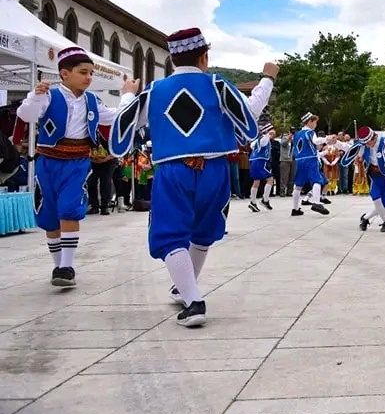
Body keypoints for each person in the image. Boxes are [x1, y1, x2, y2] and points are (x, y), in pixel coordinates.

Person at [108, 28, 274, 326]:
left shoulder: (154, 91)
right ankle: (186, 289)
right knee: (204, 230)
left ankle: (194, 301)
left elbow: (125, 124)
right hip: (216, 168)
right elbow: (250, 115)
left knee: (170, 232)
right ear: (204, 56)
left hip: (173, 169)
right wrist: (267, 79)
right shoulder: (217, 84)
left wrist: (128, 95)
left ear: (172, 58)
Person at [17, 46, 138, 286]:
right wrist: (34, 97)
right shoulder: (49, 95)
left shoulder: (92, 101)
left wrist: (128, 95)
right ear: (64, 74)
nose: (88, 77)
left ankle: (68, 265)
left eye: (91, 73)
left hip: (78, 162)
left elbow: (116, 116)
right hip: (48, 162)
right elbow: (26, 115)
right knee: (49, 214)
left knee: (70, 209)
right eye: (83, 72)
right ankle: (58, 267)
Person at [342, 126, 385, 232]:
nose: (367, 145)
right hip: (374, 176)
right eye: (365, 143)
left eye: (369, 143)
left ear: (374, 137)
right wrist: (360, 157)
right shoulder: (364, 145)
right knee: (375, 196)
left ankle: (366, 218)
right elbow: (349, 148)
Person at [290, 113, 331, 216]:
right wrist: (326, 139)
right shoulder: (310, 132)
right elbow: (316, 141)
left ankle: (295, 209)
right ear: (310, 122)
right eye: (315, 122)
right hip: (310, 159)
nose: (316, 125)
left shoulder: (297, 134)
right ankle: (316, 203)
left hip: (299, 160)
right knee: (316, 180)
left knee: (298, 185)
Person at [248, 124, 276, 212]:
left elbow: (251, 146)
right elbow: (263, 143)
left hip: (253, 161)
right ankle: (265, 199)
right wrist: (268, 135)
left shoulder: (256, 140)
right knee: (270, 179)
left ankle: (252, 202)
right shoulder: (265, 138)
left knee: (256, 181)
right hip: (261, 161)